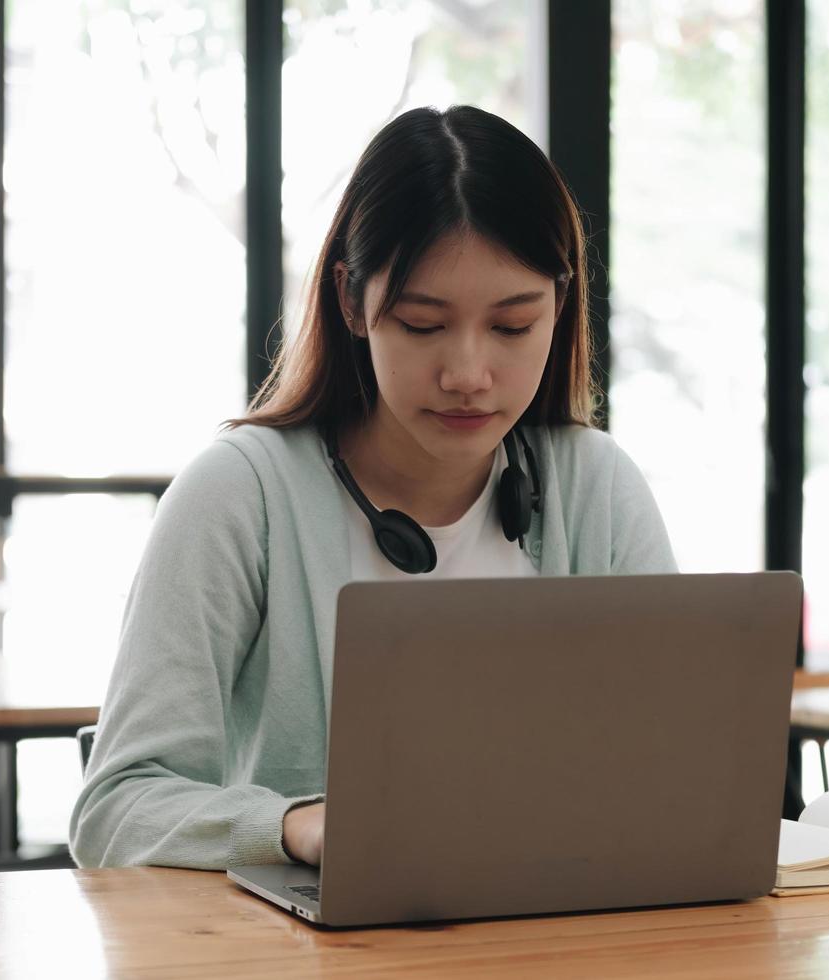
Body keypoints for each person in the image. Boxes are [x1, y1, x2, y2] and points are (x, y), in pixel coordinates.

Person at [70, 105, 676, 871]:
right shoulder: (240, 495)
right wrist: (296, 827)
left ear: (560, 306)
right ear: (353, 302)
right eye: (423, 325)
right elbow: (115, 809)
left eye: (514, 326)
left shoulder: (597, 488)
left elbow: (672, 780)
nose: (468, 374)